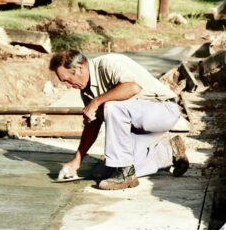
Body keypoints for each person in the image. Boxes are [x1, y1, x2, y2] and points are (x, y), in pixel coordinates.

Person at [49, 50, 189, 190]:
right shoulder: (85, 91)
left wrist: (96, 101)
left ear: (79, 68)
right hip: (137, 127)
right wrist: (76, 161)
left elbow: (132, 88)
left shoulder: (109, 63)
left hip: (163, 111)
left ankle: (125, 174)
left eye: (67, 80)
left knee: (112, 106)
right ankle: (169, 153)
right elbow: (92, 125)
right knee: (109, 172)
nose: (67, 86)